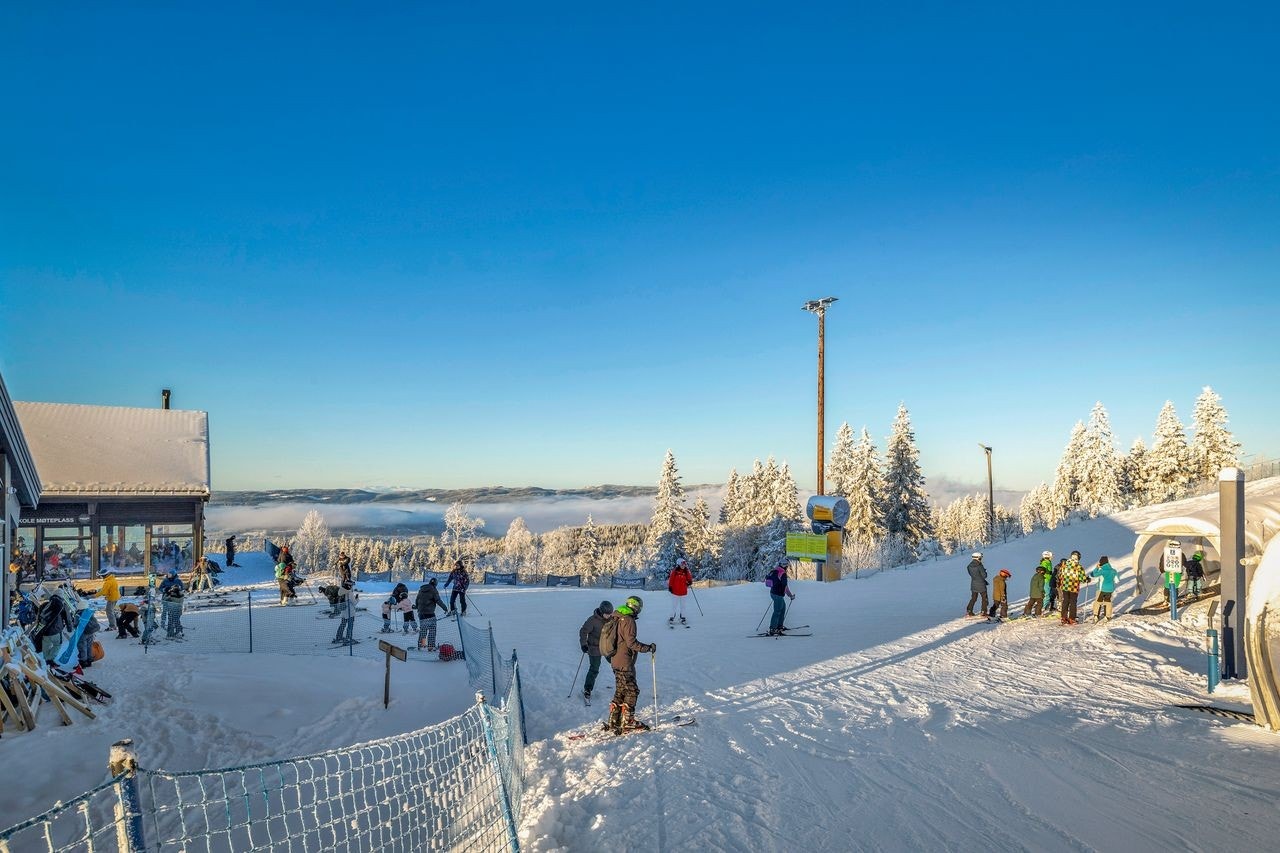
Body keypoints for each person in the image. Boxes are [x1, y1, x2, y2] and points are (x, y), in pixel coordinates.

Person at [607, 595, 655, 735]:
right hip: (624, 661)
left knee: (621, 690)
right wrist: (648, 648)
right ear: (635, 607)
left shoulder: (617, 616)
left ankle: (614, 719)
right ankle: (628, 722)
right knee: (632, 691)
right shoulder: (628, 620)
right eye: (639, 606)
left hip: (615, 660)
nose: (639, 609)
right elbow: (631, 643)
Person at [578, 600, 614, 704]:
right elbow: (583, 631)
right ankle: (587, 689)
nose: (609, 616)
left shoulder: (611, 619)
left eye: (610, 614)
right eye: (607, 614)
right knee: (594, 669)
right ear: (602, 612)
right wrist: (583, 644)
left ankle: (622, 685)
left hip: (607, 647)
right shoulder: (592, 620)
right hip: (594, 648)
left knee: (616, 664)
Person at [763, 561, 796, 635]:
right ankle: (773, 628)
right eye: (787, 566)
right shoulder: (782, 573)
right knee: (777, 611)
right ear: (785, 566)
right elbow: (785, 586)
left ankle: (779, 626)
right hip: (778, 594)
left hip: (773, 593)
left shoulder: (774, 570)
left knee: (783, 608)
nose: (787, 567)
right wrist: (790, 595)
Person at [415, 578, 446, 651]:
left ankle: (421, 645)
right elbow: (438, 600)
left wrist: (417, 608)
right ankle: (431, 646)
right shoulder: (433, 590)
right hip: (430, 613)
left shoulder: (421, 590)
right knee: (432, 629)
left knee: (423, 629)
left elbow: (417, 600)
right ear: (435, 584)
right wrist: (445, 608)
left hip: (421, 613)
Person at [1059, 551, 1089, 625]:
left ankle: (1063, 617)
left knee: (1065, 601)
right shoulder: (1078, 567)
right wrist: (1087, 579)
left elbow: (1060, 575)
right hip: (1073, 587)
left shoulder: (1064, 565)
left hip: (1065, 587)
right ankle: (1072, 618)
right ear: (1078, 558)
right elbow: (1082, 579)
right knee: (1073, 602)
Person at [332, 575, 358, 645]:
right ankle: (348, 638)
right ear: (349, 586)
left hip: (343, 611)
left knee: (342, 624)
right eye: (352, 585)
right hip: (350, 612)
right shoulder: (349, 592)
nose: (352, 586)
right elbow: (354, 602)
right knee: (350, 625)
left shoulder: (341, 591)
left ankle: (338, 637)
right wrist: (357, 599)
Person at [1091, 556, 1118, 621]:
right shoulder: (1113, 571)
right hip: (1110, 590)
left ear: (1101, 563)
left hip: (1101, 589)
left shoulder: (1102, 571)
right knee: (1108, 602)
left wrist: (1096, 568)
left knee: (1098, 602)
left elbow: (1093, 575)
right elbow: (1117, 580)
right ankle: (1107, 616)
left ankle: (1096, 616)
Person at [667, 558, 693, 626]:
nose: (683, 565)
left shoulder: (686, 571)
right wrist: (670, 586)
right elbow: (671, 579)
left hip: (683, 592)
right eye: (682, 564)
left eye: (684, 564)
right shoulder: (675, 571)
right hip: (675, 592)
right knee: (674, 606)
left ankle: (682, 617)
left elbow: (689, 578)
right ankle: (671, 618)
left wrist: (689, 582)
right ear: (678, 564)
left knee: (683, 606)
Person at [160, 570, 185, 638]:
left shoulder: (178, 581)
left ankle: (176, 631)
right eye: (168, 574)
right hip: (171, 604)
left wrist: (172, 592)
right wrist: (165, 590)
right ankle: (170, 630)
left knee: (174, 619)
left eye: (170, 575)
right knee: (172, 618)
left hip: (174, 606)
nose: (169, 576)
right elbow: (160, 588)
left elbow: (182, 588)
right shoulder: (165, 580)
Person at [76, 602, 101, 668]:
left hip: (83, 633)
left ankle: (83, 662)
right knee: (89, 646)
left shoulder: (78, 614)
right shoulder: (89, 612)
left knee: (82, 647)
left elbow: (76, 624)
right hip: (91, 633)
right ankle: (89, 660)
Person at [965, 552, 989, 617]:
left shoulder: (969, 566)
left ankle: (969, 611)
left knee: (973, 598)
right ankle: (983, 612)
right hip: (981, 584)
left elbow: (972, 574)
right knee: (984, 598)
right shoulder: (979, 565)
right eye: (981, 557)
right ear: (978, 557)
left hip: (973, 584)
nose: (981, 559)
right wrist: (985, 571)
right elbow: (984, 576)